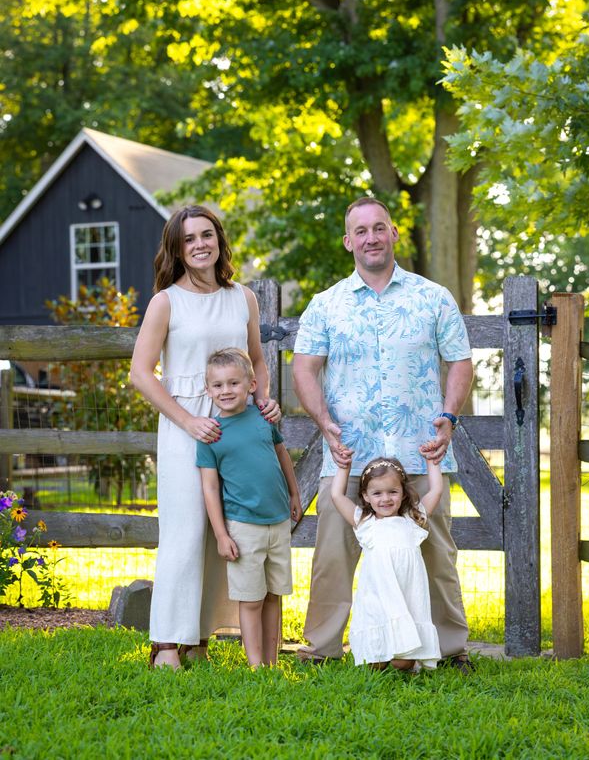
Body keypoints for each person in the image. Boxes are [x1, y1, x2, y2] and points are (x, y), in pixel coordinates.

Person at [293, 196, 474, 671]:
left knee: (435, 555)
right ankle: (323, 648)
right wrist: (324, 423)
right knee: (333, 557)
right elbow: (304, 369)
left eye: (379, 228)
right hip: (348, 455)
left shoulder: (433, 297)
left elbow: (460, 361)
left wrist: (449, 416)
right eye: (361, 231)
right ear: (348, 241)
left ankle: (449, 648)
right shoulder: (325, 305)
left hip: (420, 451)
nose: (371, 238)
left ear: (393, 233)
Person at [130, 205, 280, 669]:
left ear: (219, 240)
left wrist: (262, 401)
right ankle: (166, 644)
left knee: (227, 527)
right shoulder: (166, 302)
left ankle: (199, 635)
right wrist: (188, 421)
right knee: (185, 529)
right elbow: (140, 373)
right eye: (189, 238)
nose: (200, 244)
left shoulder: (243, 298)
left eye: (207, 234)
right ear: (177, 249)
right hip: (186, 425)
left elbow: (257, 360)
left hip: (237, 426)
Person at [197, 348, 303, 667]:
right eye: (218, 385)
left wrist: (294, 494)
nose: (226, 390)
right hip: (243, 527)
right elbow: (210, 488)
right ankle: (256, 666)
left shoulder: (263, 419)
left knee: (273, 596)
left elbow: (282, 456)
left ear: (251, 385)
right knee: (252, 599)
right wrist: (221, 535)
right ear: (208, 390)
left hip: (278, 522)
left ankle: (271, 664)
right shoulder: (211, 434)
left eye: (234, 383)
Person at [331, 450, 442, 671]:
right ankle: (379, 655)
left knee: (403, 661)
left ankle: (408, 658)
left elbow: (436, 490)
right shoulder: (365, 522)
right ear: (365, 496)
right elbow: (336, 496)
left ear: (403, 493)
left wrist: (432, 462)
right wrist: (344, 467)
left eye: (392, 492)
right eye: (377, 493)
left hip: (407, 594)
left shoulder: (413, 519)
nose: (385, 499)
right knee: (375, 661)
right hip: (378, 595)